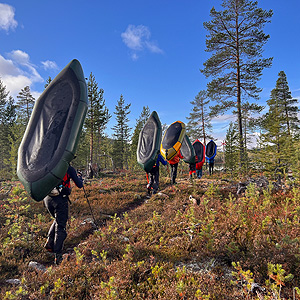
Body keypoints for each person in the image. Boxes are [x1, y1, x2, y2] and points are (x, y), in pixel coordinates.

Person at [44, 164, 83, 265]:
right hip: (60, 200)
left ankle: (49, 241)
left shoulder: (50, 166)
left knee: (58, 220)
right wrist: (80, 177)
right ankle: (58, 256)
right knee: (61, 227)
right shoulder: (68, 168)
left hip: (47, 199)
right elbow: (79, 184)